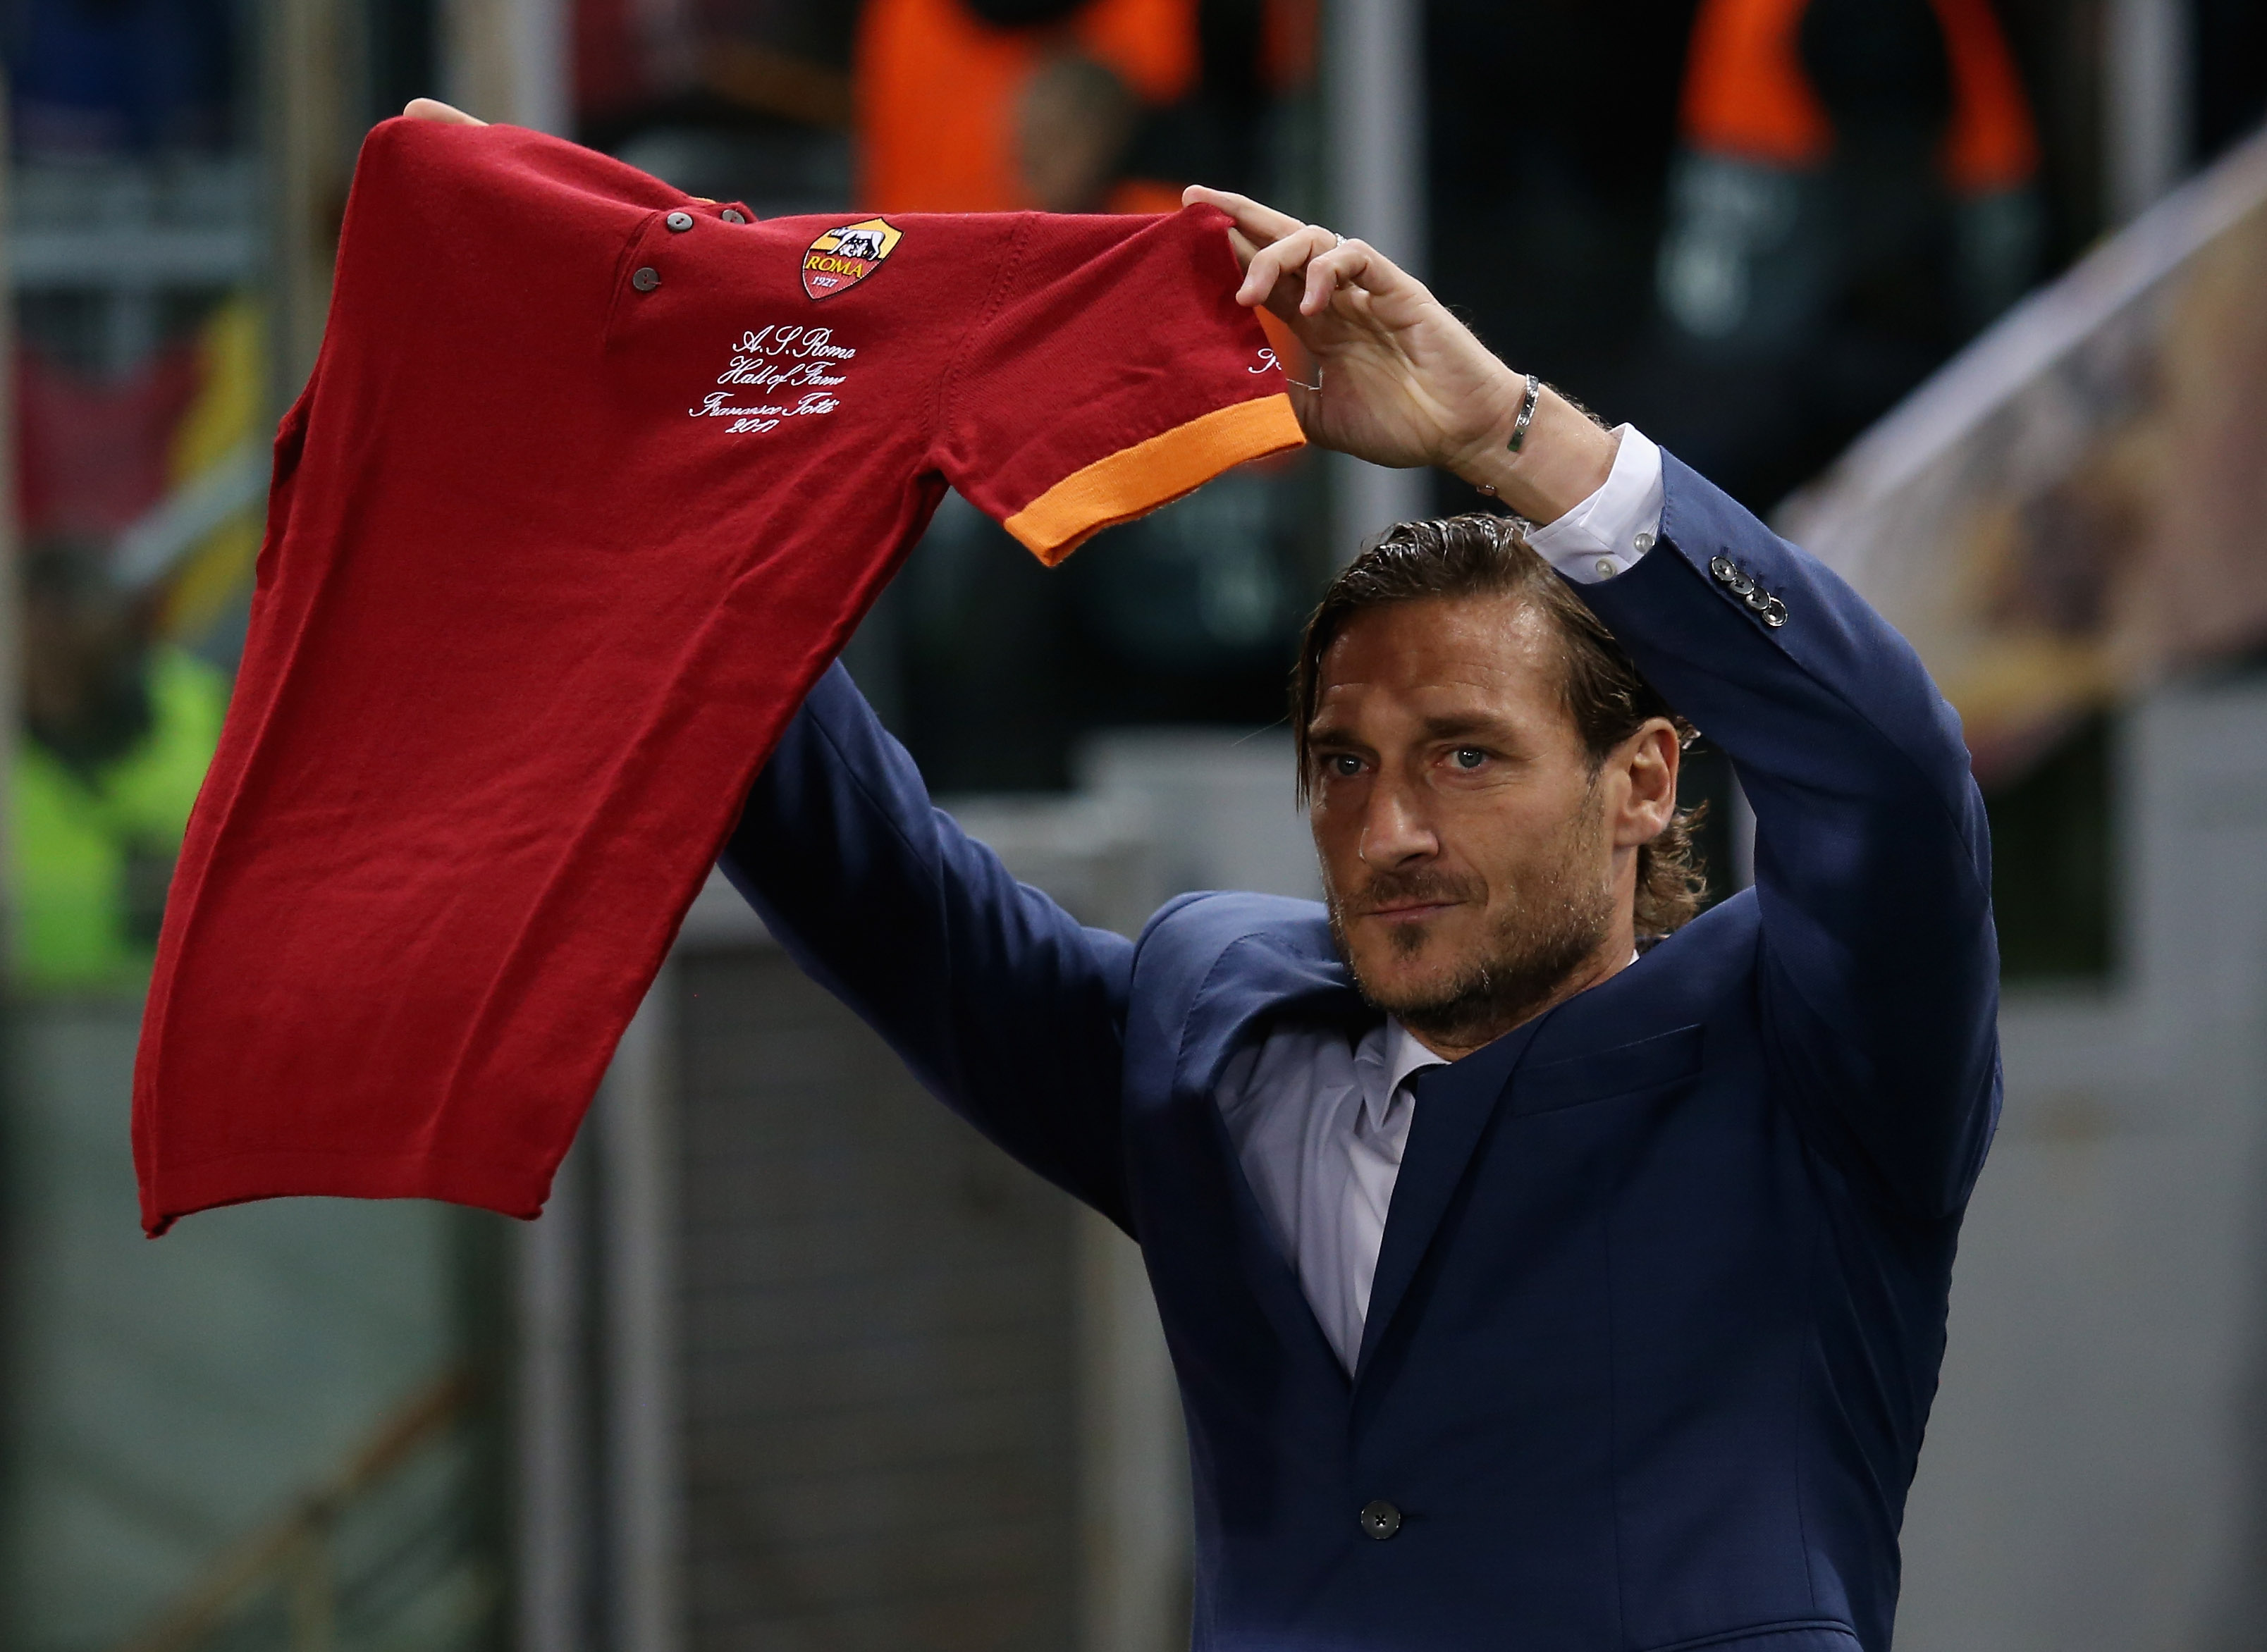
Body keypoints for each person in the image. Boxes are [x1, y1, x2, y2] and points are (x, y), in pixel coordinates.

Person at [720, 186, 1998, 1650]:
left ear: (1644, 777)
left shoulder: (1812, 1062)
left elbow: (1890, 770)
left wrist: (1512, 435)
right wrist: (693, 520)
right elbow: (878, 889)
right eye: (1343, 762)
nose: (1390, 828)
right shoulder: (1203, 1030)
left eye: (1467, 753)